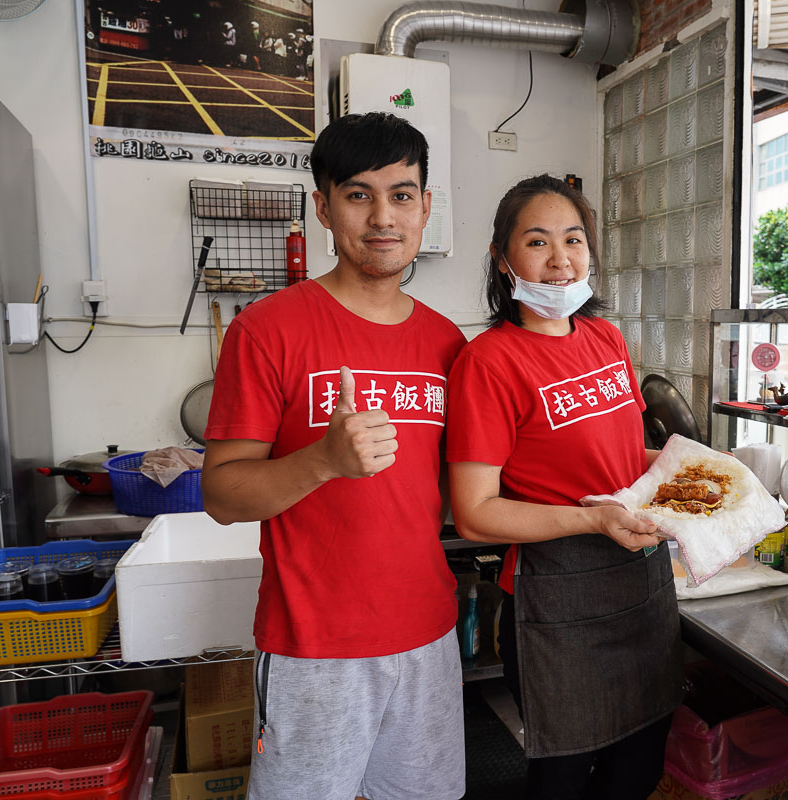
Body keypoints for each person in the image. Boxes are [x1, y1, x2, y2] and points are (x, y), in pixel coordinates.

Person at [202, 112, 467, 800]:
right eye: (358, 195)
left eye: (402, 195)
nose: (383, 216)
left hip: (428, 636)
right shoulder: (267, 329)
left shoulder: (448, 345)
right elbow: (223, 496)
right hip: (311, 649)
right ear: (323, 207)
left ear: (425, 208)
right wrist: (322, 460)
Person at [447, 174, 684, 800]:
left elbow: (626, 453)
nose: (560, 260)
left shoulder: (606, 339)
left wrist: (705, 470)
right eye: (537, 242)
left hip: (640, 579)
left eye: (574, 240)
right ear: (503, 261)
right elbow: (473, 513)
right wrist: (592, 519)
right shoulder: (489, 361)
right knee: (563, 778)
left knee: (639, 766)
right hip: (558, 597)